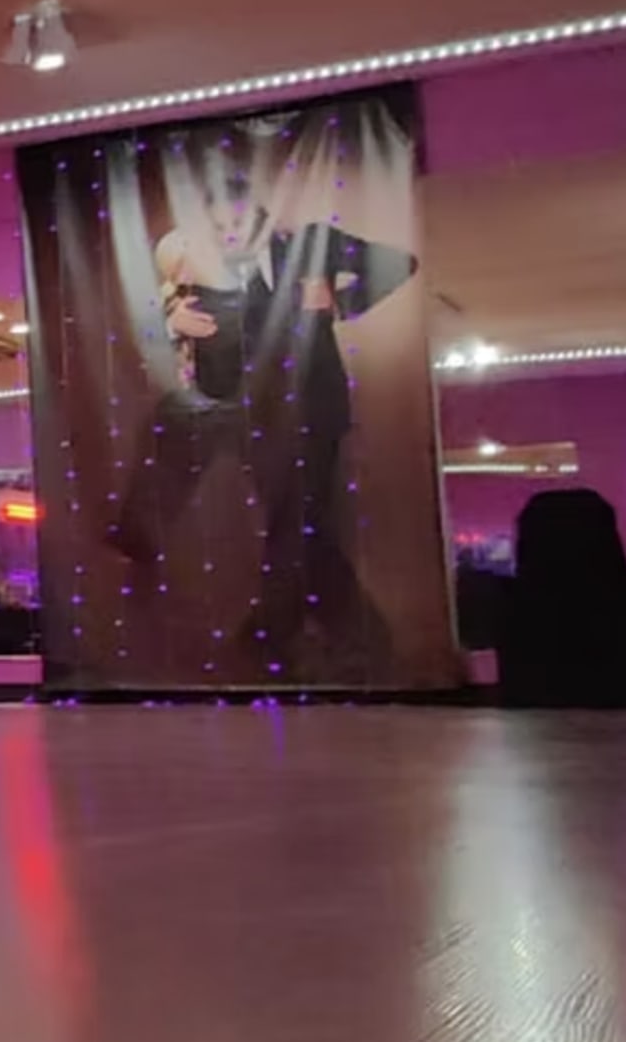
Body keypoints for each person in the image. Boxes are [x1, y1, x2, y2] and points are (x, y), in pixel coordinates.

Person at [105, 124, 416, 664]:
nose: (230, 232)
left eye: (239, 220)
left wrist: (338, 302)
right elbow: (153, 322)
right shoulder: (200, 268)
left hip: (305, 409)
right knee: (180, 424)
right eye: (219, 224)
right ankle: (144, 540)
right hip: (231, 407)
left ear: (260, 215)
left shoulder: (311, 244)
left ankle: (286, 635)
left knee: (297, 521)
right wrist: (173, 320)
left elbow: (400, 262)